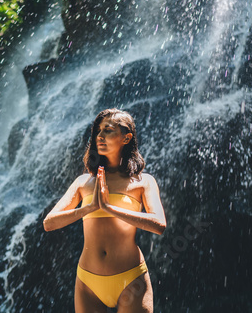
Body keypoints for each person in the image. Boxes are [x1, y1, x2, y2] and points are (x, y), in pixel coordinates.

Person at [43, 108, 166, 313]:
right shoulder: (84, 182)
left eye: (108, 130)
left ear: (126, 138)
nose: (100, 136)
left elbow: (159, 225)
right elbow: (49, 223)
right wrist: (90, 208)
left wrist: (110, 208)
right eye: (98, 131)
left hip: (131, 278)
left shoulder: (143, 182)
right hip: (88, 281)